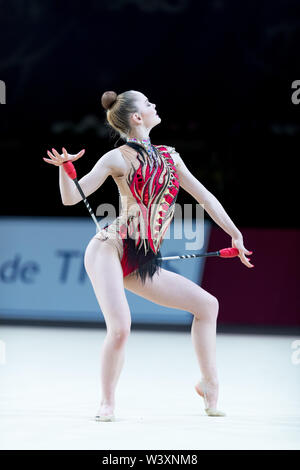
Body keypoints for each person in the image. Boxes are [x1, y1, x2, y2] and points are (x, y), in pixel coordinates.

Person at [43, 89, 254, 421]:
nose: (156, 105)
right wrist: (65, 169)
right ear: (137, 117)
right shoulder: (117, 158)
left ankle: (209, 384)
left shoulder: (170, 156)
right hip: (109, 248)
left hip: (143, 259)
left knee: (207, 305)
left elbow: (205, 197)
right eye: (148, 103)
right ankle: (107, 402)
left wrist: (235, 233)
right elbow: (72, 197)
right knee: (121, 328)